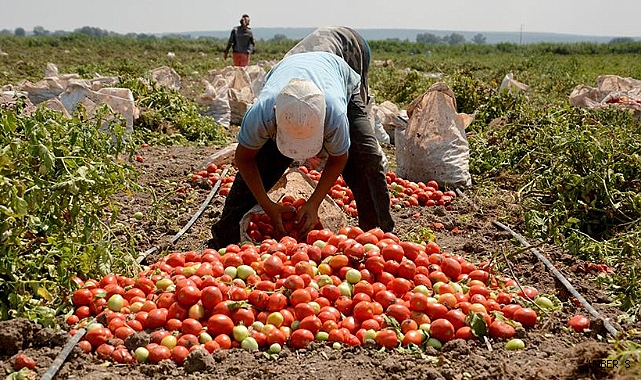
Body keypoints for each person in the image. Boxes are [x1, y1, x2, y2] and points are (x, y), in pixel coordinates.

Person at [209, 28, 394, 248]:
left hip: (336, 76)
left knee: (365, 158)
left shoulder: (334, 110)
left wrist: (314, 202)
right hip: (289, 74)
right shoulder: (261, 113)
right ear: (276, 115)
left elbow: (338, 158)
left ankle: (378, 238)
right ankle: (227, 234)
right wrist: (266, 204)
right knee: (266, 161)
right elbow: (245, 159)